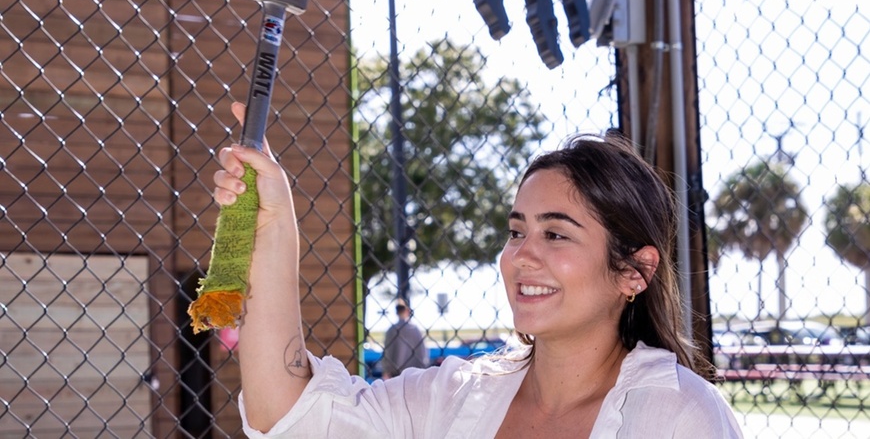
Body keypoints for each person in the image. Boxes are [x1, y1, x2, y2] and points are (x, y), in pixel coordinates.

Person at [213, 102, 743, 438]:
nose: (519, 255)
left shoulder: (680, 418)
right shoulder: (457, 396)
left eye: (555, 234)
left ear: (635, 271)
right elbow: (290, 416)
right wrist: (273, 232)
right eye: (517, 232)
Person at [381, 298, 428, 379]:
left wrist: (387, 369)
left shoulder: (391, 330)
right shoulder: (415, 330)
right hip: (414, 374)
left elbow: (387, 353)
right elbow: (422, 353)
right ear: (408, 311)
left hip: (396, 375)